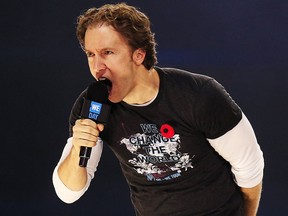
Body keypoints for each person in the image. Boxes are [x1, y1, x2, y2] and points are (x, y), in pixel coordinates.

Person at [52, 3, 264, 216]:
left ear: (138, 55)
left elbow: (249, 167)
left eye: (108, 52)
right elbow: (68, 194)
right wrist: (79, 146)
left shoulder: (198, 95)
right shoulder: (92, 105)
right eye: (90, 54)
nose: (97, 66)